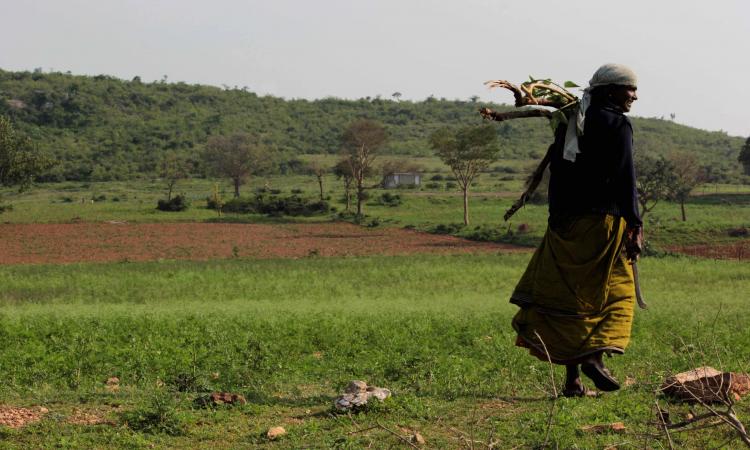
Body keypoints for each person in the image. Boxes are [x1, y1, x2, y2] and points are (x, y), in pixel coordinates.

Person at [509, 63, 644, 397]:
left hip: (565, 222)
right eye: (630, 89)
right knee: (607, 293)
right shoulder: (617, 125)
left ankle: (573, 381)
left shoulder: (571, 122)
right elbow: (625, 179)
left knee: (568, 297)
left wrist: (557, 219)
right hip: (603, 223)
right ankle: (593, 359)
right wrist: (635, 224)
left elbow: (558, 172)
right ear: (611, 90)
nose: (635, 96)